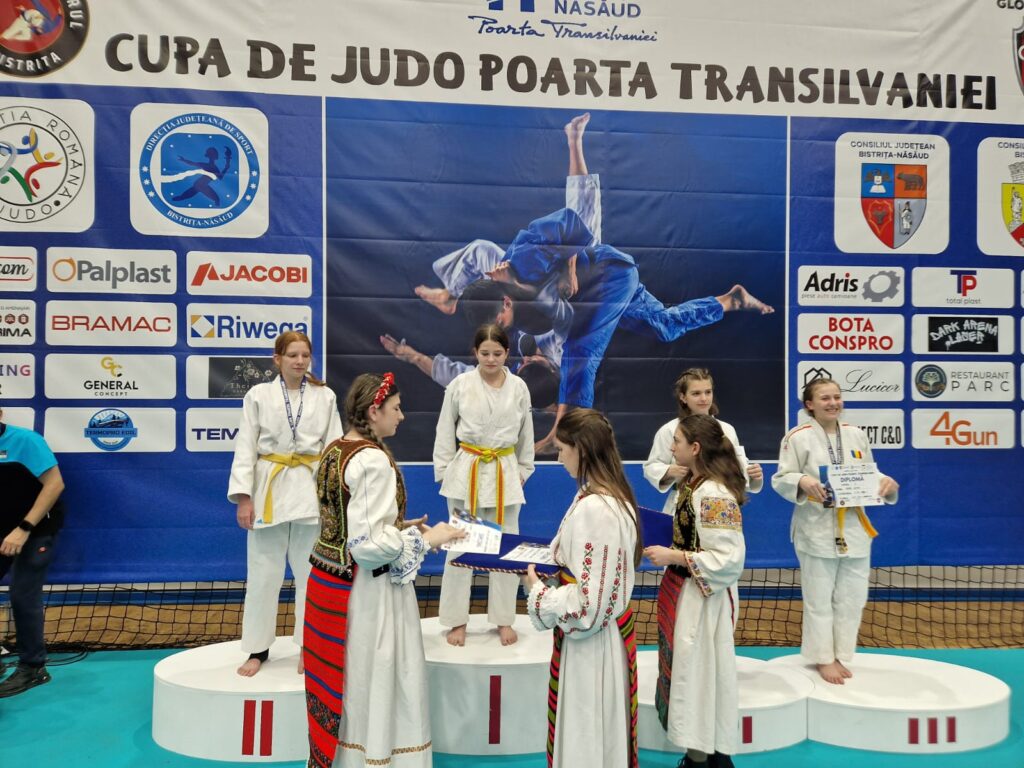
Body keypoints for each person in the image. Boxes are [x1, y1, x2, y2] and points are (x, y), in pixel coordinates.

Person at [303, 372, 464, 768]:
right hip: (367, 594)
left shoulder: (335, 449)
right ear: (374, 412)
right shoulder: (373, 461)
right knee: (379, 676)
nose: (402, 416)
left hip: (329, 583)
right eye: (396, 408)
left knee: (349, 681)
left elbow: (346, 524)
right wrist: (429, 539)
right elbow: (368, 549)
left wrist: (399, 526)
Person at [523, 408, 642, 768]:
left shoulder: (597, 510)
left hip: (592, 650)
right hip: (596, 643)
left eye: (562, 450)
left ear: (583, 450)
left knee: (587, 739)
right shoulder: (599, 497)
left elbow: (589, 607)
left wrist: (539, 592)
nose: (559, 458)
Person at [227, 331, 343, 677]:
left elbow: (334, 448)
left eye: (305, 355)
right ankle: (257, 649)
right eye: (292, 355)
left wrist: (333, 498)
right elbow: (245, 447)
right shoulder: (258, 395)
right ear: (277, 359)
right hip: (269, 491)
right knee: (263, 575)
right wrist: (244, 498)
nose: (299, 361)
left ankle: (309, 645)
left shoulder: (325, 396)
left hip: (310, 490)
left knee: (312, 576)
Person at [770, 378, 899, 685]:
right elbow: (781, 477)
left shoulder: (855, 434)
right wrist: (801, 481)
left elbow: (868, 472)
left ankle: (841, 653)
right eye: (825, 398)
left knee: (853, 597)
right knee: (819, 597)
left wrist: (886, 484)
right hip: (816, 526)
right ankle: (823, 657)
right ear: (809, 405)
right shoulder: (797, 437)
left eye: (837, 397)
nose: (833, 403)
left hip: (854, 526)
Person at [644, 414, 747, 768]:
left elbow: (729, 559)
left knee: (703, 675)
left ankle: (706, 758)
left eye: (677, 441)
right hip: (685, 594)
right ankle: (698, 754)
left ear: (696, 448)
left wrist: (674, 556)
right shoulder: (691, 485)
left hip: (706, 602)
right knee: (693, 674)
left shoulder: (714, 494)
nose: (671, 447)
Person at [434, 324, 535, 646]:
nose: (491, 359)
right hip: (468, 472)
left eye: (497, 353)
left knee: (506, 548)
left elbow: (526, 434)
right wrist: (445, 472)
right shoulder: (460, 384)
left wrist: (523, 470)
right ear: (475, 352)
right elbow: (444, 430)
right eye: (485, 353)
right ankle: (456, 620)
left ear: (507, 353)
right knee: (460, 546)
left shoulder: (519, 387)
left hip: (505, 471)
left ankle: (503, 619)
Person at [0, 405, 65, 698]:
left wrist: (24, 528)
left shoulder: (26, 441)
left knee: (22, 595)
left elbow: (55, 484)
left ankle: (33, 667)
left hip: (35, 529)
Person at [644, 368, 763, 516]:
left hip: (719, 504)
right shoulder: (670, 430)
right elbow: (652, 466)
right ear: (683, 397)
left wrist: (752, 474)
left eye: (708, 392)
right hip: (682, 503)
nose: (704, 398)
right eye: (696, 393)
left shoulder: (727, 430)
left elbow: (737, 467)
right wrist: (669, 471)